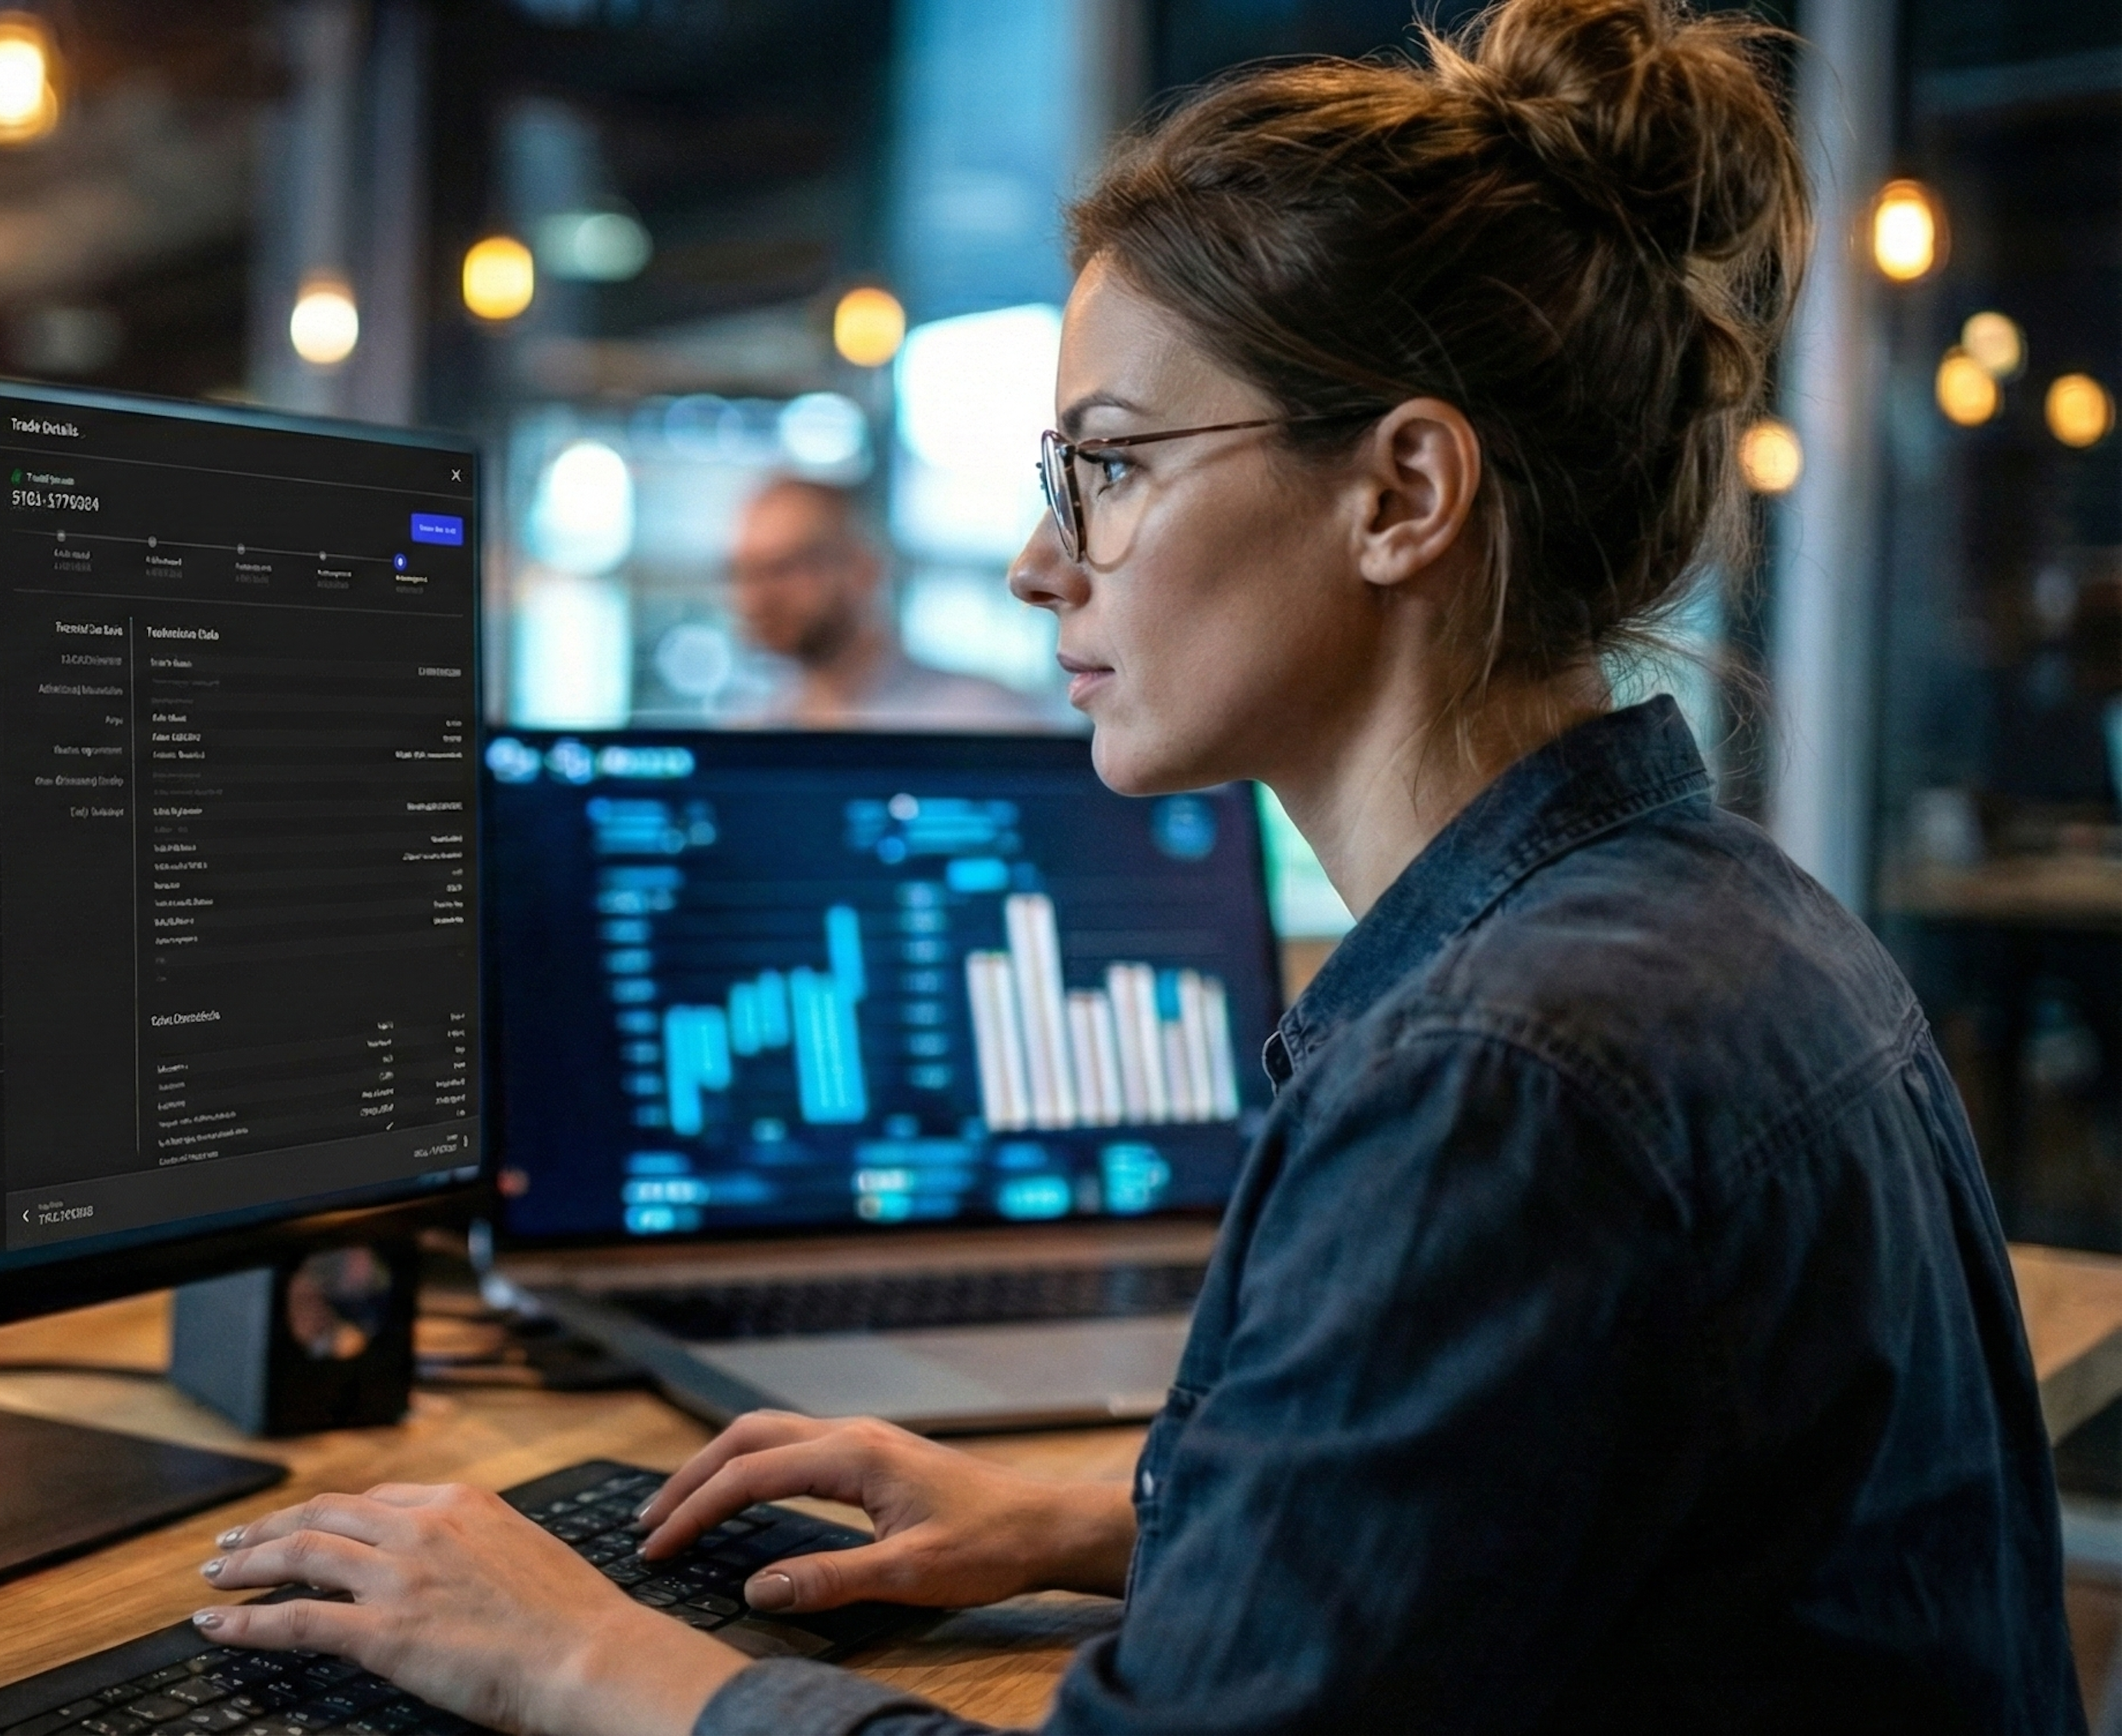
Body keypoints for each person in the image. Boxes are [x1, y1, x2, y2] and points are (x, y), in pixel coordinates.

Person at [180, 0, 2083, 1728]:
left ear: (1403, 495)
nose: (1041, 564)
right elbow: (1578, 1524)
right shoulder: (1736, 920)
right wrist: (1108, 1519)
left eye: (1109, 465)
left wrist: (582, 1653)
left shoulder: (1497, 1071)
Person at [723, 478, 1069, 731]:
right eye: (744, 574)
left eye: (783, 569)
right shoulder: (754, 734)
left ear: (863, 569)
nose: (754, 597)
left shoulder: (992, 724)